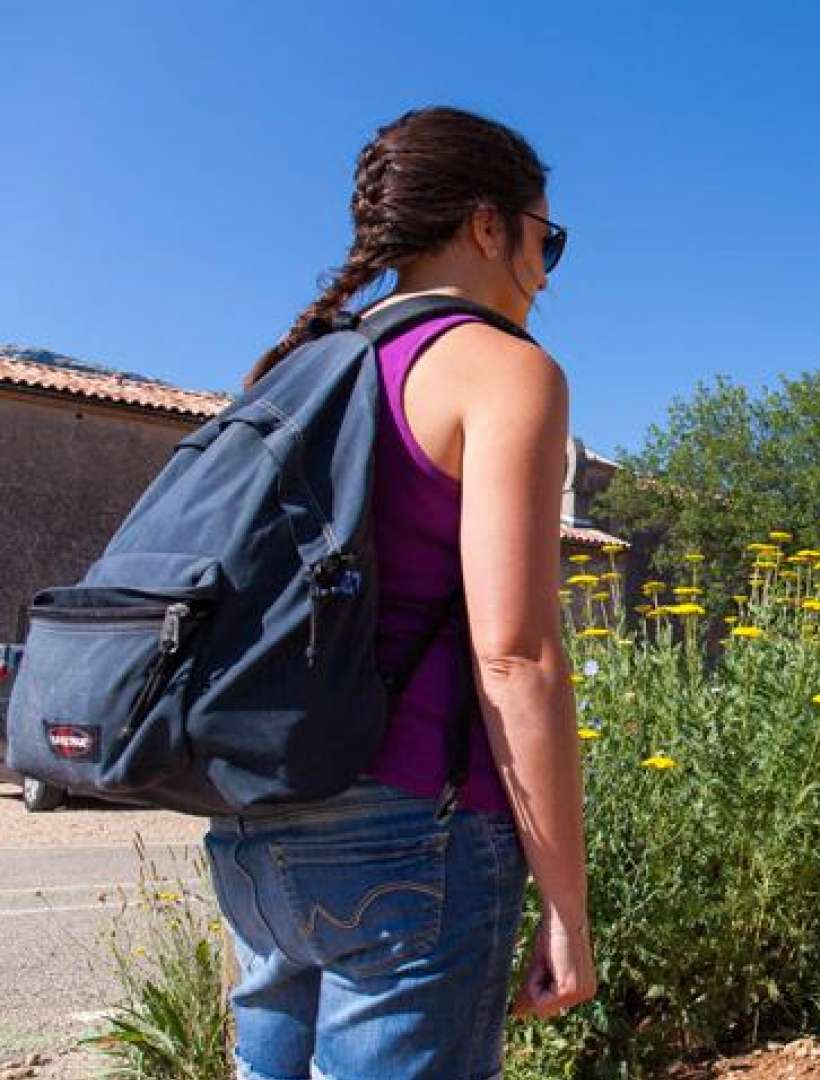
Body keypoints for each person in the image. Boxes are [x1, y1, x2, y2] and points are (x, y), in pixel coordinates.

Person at [206, 106, 594, 1080]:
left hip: (259, 822)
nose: (543, 274)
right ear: (487, 225)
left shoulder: (298, 369)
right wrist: (568, 910)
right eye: (545, 240)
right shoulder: (505, 372)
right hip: (413, 824)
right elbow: (517, 656)